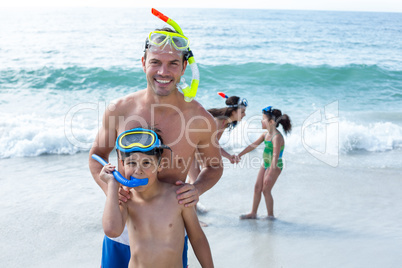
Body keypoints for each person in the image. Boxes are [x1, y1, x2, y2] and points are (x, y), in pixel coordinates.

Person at [88, 14, 223, 268]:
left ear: (184, 68)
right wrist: (113, 193)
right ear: (143, 63)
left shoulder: (198, 117)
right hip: (124, 230)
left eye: (173, 63)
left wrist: (196, 190)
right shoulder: (120, 109)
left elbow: (214, 167)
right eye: (156, 62)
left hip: (170, 231)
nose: (163, 71)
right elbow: (96, 155)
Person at [100, 128, 214, 268]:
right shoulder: (127, 200)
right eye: (131, 163)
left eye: (147, 163)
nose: (138, 170)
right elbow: (112, 230)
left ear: (160, 165)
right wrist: (112, 184)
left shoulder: (177, 197)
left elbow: (198, 238)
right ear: (122, 166)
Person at [187, 93, 247, 213]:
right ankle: (191, 217)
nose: (245, 114)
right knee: (196, 181)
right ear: (233, 111)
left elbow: (214, 144)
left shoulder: (224, 122)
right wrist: (227, 157)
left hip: (194, 147)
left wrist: (229, 157)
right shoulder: (218, 122)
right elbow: (207, 144)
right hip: (188, 148)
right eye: (242, 111)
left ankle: (192, 208)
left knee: (193, 180)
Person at [236, 106, 291, 219]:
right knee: (257, 188)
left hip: (275, 166)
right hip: (266, 164)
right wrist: (239, 155)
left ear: (271, 122)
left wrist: (270, 174)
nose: (261, 121)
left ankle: (270, 216)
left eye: (263, 119)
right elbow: (252, 146)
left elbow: (275, 156)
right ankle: (253, 213)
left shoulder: (277, 137)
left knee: (266, 190)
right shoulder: (265, 135)